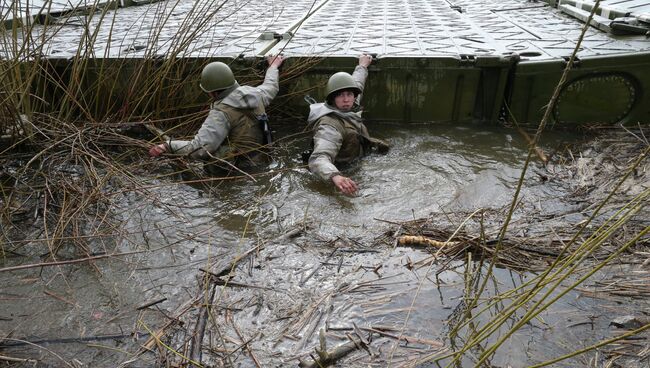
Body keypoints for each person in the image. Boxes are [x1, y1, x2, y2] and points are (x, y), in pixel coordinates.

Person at [149, 55, 285, 173]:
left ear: (210, 92)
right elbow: (271, 86)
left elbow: (200, 148)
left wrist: (167, 145)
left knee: (215, 156)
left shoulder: (221, 112)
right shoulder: (256, 94)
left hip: (242, 169)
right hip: (265, 159)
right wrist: (273, 67)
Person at [307, 54, 389, 195]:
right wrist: (335, 176)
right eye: (340, 95)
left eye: (349, 94)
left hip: (360, 158)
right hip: (344, 171)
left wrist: (362, 65)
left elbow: (358, 82)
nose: (346, 99)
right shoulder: (329, 126)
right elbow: (319, 158)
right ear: (332, 98)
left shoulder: (350, 106)